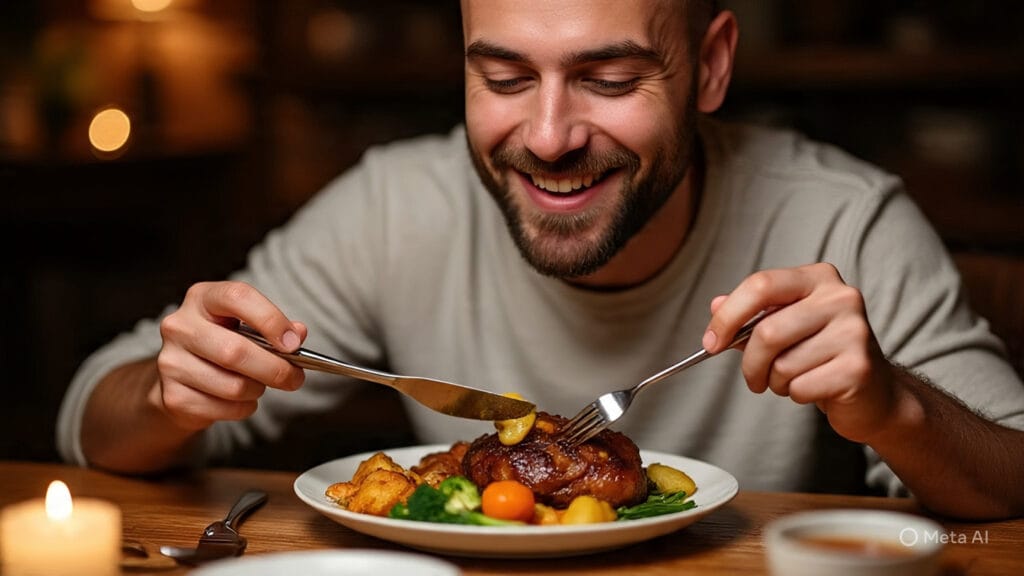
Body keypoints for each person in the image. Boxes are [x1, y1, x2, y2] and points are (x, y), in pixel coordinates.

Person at [58, 0, 1024, 520]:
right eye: (504, 77)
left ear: (712, 65)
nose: (550, 136)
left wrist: (892, 406)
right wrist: (166, 394)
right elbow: (91, 421)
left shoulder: (842, 220)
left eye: (608, 79)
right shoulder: (395, 205)